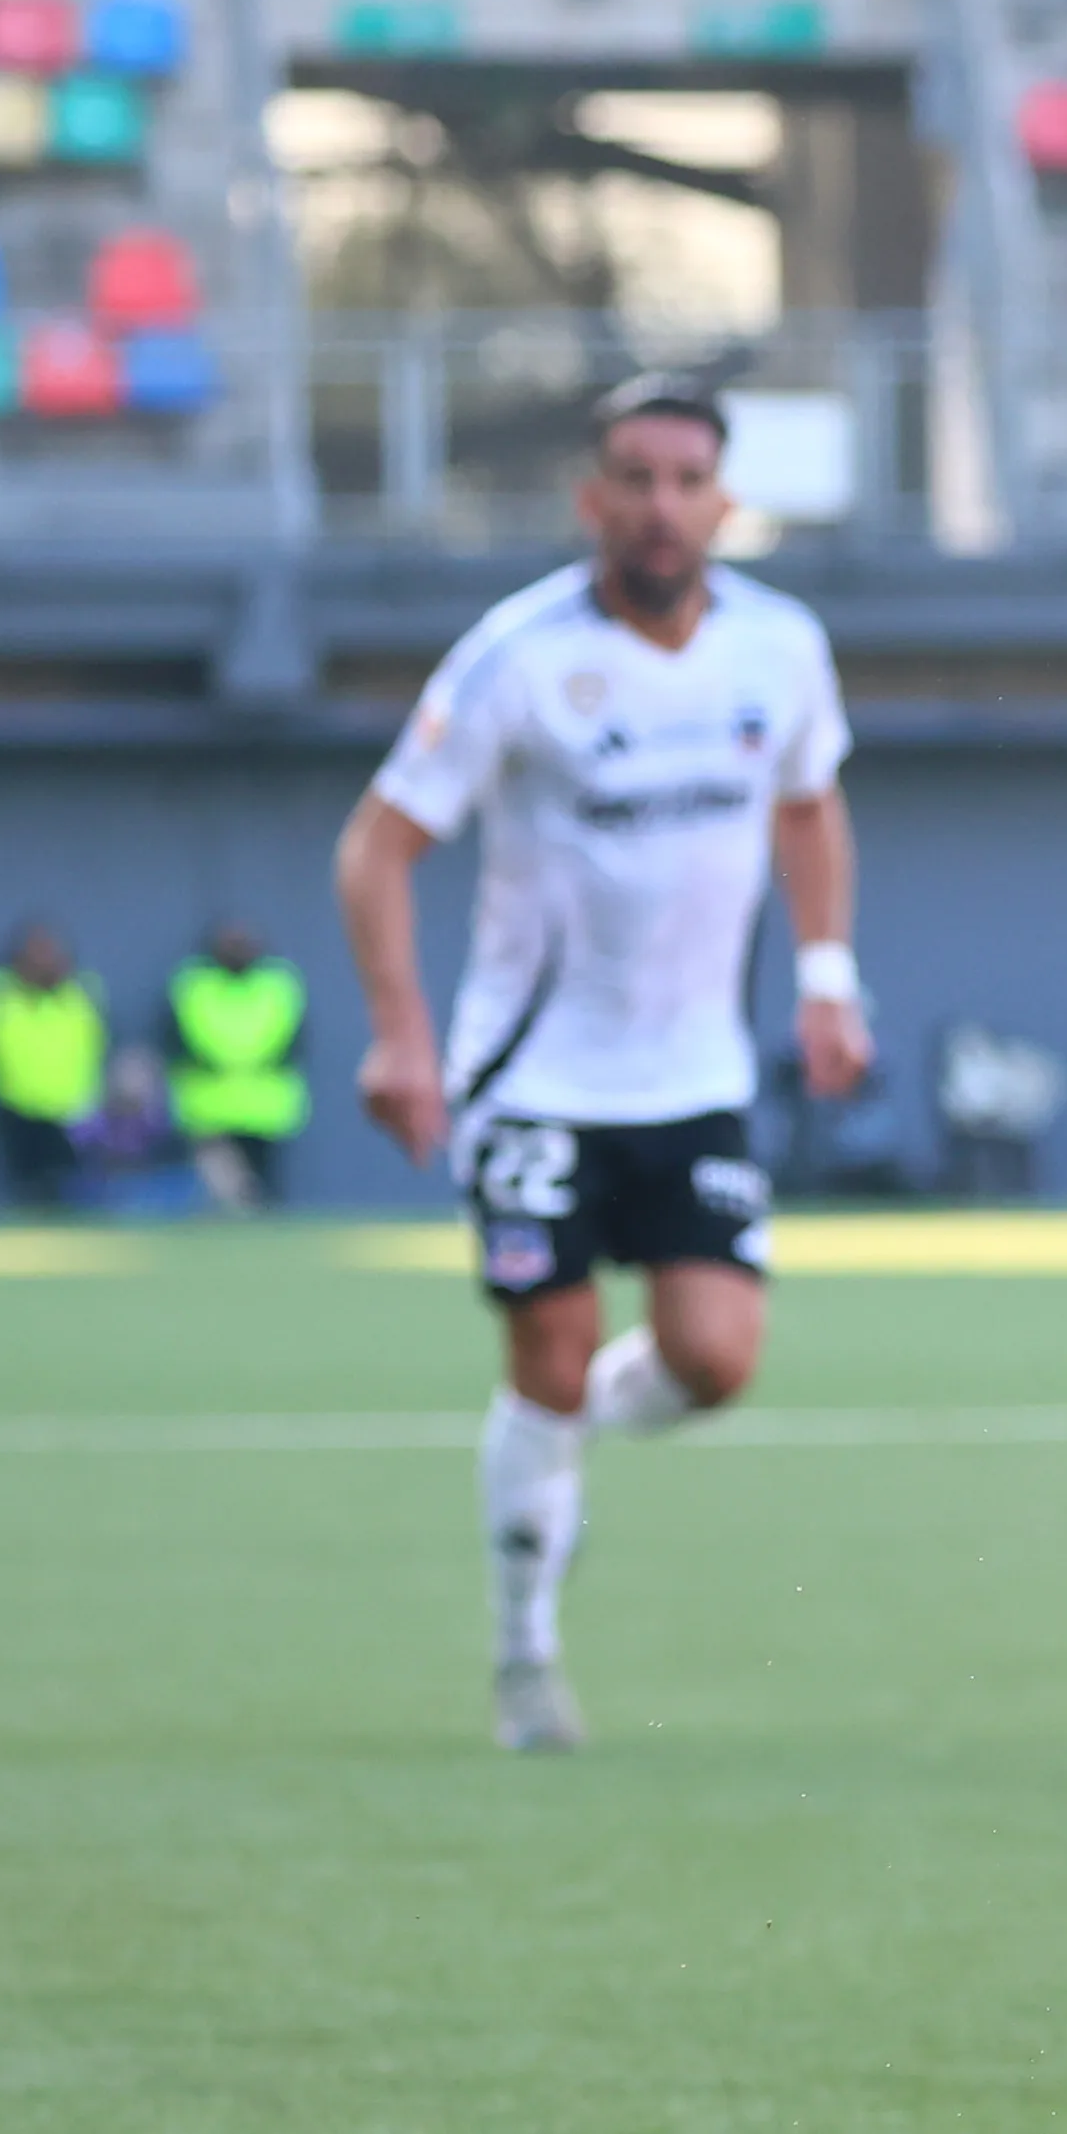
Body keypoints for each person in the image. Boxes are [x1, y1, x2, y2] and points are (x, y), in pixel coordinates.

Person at [331, 376, 868, 1755]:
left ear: (723, 501)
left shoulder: (780, 649)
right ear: (593, 499)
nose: (662, 504)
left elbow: (808, 807)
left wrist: (824, 974)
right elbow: (378, 844)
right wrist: (400, 1031)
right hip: (536, 1076)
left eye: (688, 479)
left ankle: (551, 1445)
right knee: (551, 1347)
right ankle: (525, 1654)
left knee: (716, 1356)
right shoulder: (517, 659)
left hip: (692, 1072)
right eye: (635, 477)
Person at [166, 916, 309, 1209]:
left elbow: (296, 1042)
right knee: (219, 1195)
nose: (238, 949)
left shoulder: (279, 985)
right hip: (207, 1109)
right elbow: (175, 1041)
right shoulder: (193, 985)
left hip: (266, 1111)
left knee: (262, 1197)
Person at [0, 916, 106, 1209]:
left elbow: (100, 1045)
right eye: (36, 953)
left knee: (71, 1197)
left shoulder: (82, 993)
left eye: (51, 952)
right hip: (14, 1111)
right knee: (26, 1196)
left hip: (73, 1114)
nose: (45, 961)